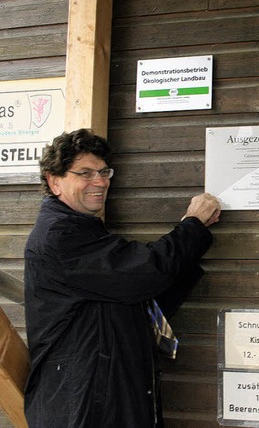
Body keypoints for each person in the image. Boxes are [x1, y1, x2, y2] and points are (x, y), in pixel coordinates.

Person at [23, 129, 222, 427]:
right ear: (55, 182)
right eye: (85, 173)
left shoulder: (81, 229)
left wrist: (185, 247)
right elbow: (142, 273)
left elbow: (136, 291)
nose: (100, 182)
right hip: (83, 405)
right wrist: (192, 226)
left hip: (98, 396)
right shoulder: (60, 235)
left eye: (104, 172)